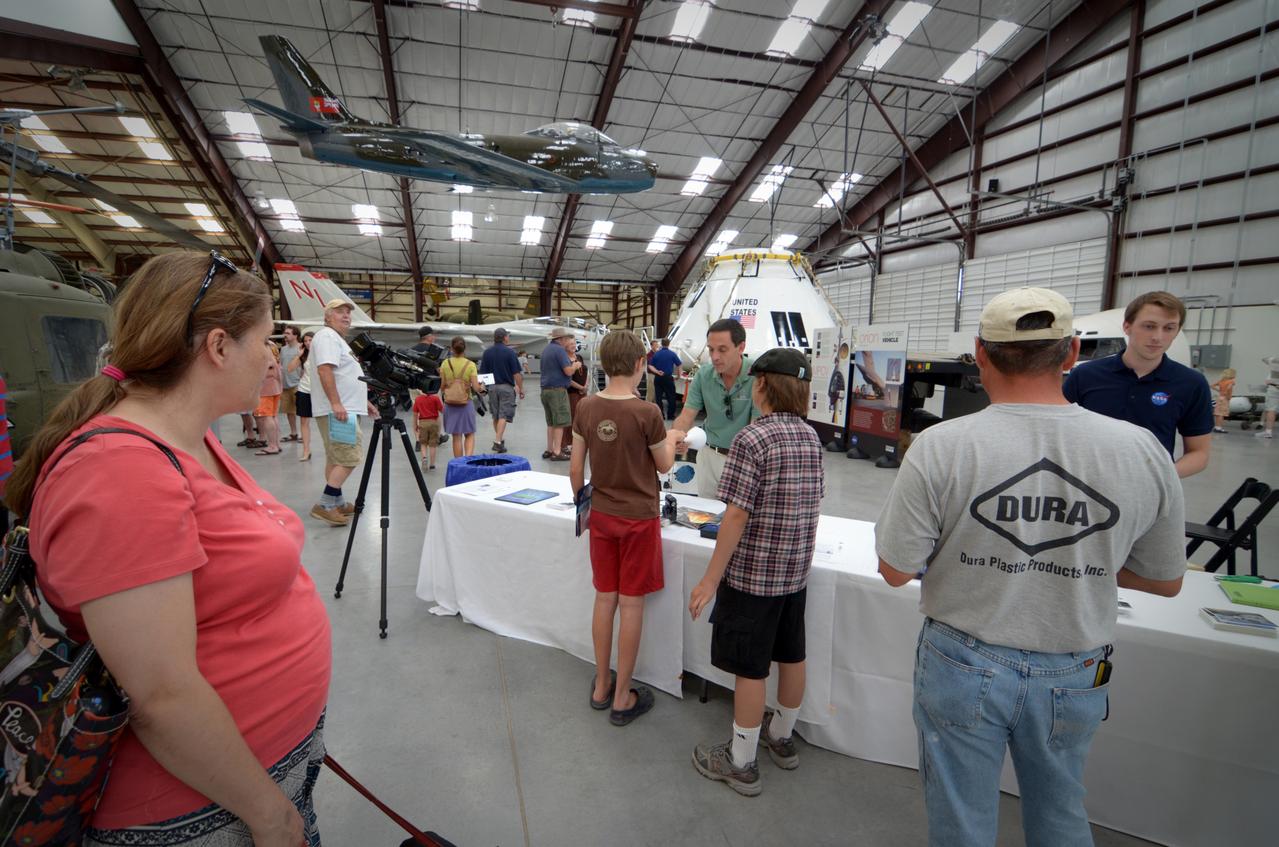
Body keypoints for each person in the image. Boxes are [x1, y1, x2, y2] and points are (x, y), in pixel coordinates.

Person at [3, 250, 331, 846]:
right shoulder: (120, 471)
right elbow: (159, 694)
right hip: (199, 809)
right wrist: (272, 815)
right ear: (219, 347)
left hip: (265, 764)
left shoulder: (188, 438)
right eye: (264, 340)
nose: (272, 357)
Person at [875, 287, 1186, 847]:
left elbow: (896, 569)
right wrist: (1083, 558)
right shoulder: (1142, 451)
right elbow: (1166, 580)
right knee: (1061, 811)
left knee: (961, 820)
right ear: (1072, 354)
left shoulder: (941, 446)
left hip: (962, 660)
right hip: (1076, 665)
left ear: (980, 353)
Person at [687, 348, 824, 797]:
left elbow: (735, 515)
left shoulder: (753, 439)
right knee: (792, 653)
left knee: (750, 668)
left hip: (753, 577)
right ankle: (781, 737)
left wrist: (711, 578)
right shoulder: (811, 437)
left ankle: (742, 762)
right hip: (794, 574)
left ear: (761, 385)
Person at [569, 330, 683, 726]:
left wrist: (584, 503)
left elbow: (575, 469)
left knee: (605, 599)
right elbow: (664, 465)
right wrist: (672, 438)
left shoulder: (586, 407)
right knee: (631, 604)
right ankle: (623, 696)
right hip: (638, 519)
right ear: (639, 364)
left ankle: (601, 685)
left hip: (601, 515)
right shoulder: (647, 413)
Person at [1063, 291, 1212, 477]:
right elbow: (1060, 433)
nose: (1157, 337)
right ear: (1127, 327)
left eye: (1169, 328)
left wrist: (1162, 477)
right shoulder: (1085, 375)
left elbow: (1199, 453)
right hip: (1086, 483)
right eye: (1149, 326)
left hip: (1150, 489)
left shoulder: (1191, 383)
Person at [671, 318, 760, 497]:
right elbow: (687, 415)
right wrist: (676, 438)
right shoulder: (703, 375)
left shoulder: (757, 377)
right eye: (711, 349)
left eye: (722, 349)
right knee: (705, 511)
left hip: (743, 460)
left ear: (741, 347)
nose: (714, 357)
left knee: (736, 513)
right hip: (709, 456)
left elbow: (756, 426)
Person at [310, 296, 375, 526]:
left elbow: (344, 375)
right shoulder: (327, 336)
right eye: (340, 312)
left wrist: (363, 401)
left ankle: (336, 501)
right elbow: (325, 370)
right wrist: (336, 403)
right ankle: (325, 504)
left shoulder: (336, 339)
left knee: (336, 457)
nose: (346, 316)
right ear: (328, 317)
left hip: (342, 407)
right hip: (338, 411)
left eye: (348, 312)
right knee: (349, 456)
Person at [478, 327, 524, 453]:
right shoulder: (510, 352)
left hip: (492, 388)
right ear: (504, 338)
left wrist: (483, 389)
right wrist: (521, 388)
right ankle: (498, 441)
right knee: (503, 414)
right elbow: (516, 373)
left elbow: (483, 374)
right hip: (506, 387)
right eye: (507, 336)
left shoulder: (487, 352)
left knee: (496, 415)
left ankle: (500, 439)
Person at [440, 336, 485, 459]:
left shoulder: (445, 363)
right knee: (469, 433)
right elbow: (476, 388)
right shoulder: (470, 365)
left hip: (450, 404)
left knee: (456, 436)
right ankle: (467, 461)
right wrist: (482, 387)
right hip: (466, 403)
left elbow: (442, 386)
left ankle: (459, 463)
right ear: (465, 349)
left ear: (452, 349)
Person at [540, 327, 579, 461]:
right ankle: (557, 452)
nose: (568, 341)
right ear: (561, 339)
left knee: (551, 422)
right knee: (560, 422)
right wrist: (575, 366)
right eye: (567, 339)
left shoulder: (546, 350)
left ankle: (549, 449)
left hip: (545, 390)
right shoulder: (560, 350)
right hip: (557, 391)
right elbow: (568, 371)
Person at [252, 341, 283, 456]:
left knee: (267, 417)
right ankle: (276, 444)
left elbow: (270, 364)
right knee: (273, 416)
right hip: (275, 385)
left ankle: (272, 445)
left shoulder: (263, 346)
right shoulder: (272, 344)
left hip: (266, 387)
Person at [288, 330, 315, 462]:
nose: (308, 343)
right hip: (304, 390)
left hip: (320, 392)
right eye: (305, 341)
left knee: (326, 421)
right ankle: (306, 450)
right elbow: (289, 368)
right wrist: (298, 355)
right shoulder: (304, 355)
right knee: (304, 422)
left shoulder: (323, 354)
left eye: (310, 340)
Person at [648, 338, 682, 422]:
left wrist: (657, 372)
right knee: (671, 397)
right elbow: (679, 364)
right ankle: (670, 415)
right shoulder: (672, 354)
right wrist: (678, 375)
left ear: (661, 344)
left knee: (658, 398)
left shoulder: (656, 354)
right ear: (669, 344)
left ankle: (661, 415)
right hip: (668, 378)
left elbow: (650, 366)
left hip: (658, 378)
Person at [278, 326, 302, 442]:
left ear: (295, 335)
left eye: (288, 333)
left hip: (298, 384)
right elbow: (281, 366)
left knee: (301, 411)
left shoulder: (301, 348)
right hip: (285, 385)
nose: (285, 335)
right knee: (289, 411)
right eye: (285, 333)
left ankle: (303, 434)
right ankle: (293, 433)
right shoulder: (283, 349)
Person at [412, 390, 443, 469]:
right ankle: (432, 464)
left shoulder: (418, 399)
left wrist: (415, 425)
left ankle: (424, 458)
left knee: (423, 443)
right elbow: (442, 410)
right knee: (433, 445)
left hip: (423, 423)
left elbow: (415, 414)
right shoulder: (435, 398)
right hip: (434, 423)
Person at [567, 338, 590, 423]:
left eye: (574, 344)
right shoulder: (565, 360)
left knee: (583, 415)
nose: (574, 346)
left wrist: (586, 386)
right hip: (572, 393)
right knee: (573, 416)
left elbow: (586, 373)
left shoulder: (579, 357)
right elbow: (567, 379)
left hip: (583, 392)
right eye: (571, 344)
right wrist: (581, 388)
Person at [1211, 368, 1236, 433]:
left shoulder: (1221, 381)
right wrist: (1226, 393)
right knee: (1221, 414)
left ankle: (1216, 427)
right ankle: (1219, 428)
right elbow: (1229, 387)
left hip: (1219, 397)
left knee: (1218, 414)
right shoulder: (1231, 381)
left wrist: (1219, 391)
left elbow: (1212, 386)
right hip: (1225, 398)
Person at [1258, 355, 1278, 438]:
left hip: (1274, 388)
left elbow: (1264, 359)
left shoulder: (1275, 361)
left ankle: (1268, 432)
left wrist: (1273, 359)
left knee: (1271, 410)